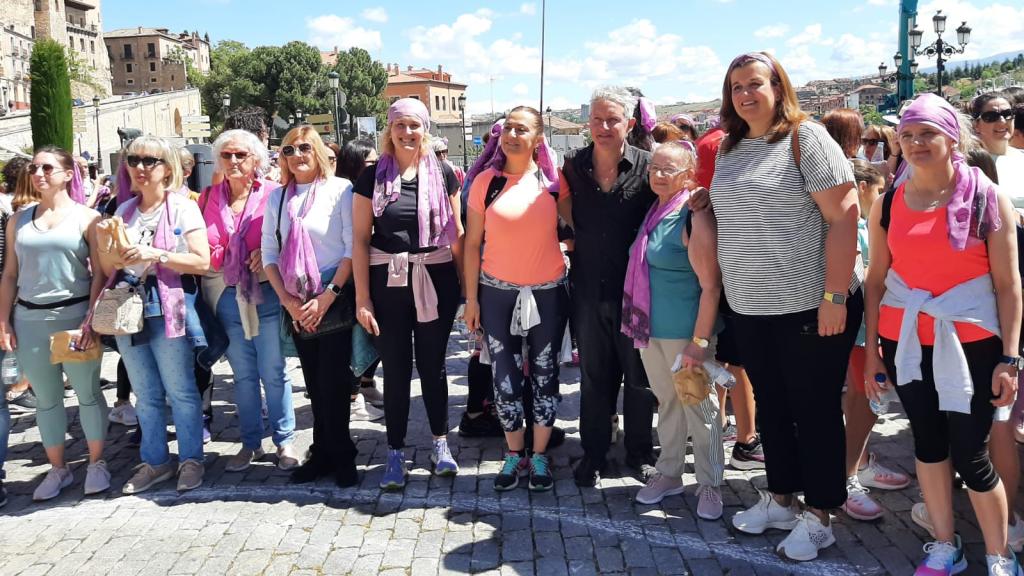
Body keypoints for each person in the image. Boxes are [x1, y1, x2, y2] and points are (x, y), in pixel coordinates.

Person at [864, 93, 1022, 575]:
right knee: (928, 445)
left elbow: (1009, 285)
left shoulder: (985, 196)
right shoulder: (889, 202)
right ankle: (943, 544)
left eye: (928, 132)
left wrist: (1010, 358)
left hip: (973, 342)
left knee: (972, 452)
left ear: (953, 137)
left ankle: (999, 554)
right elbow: (874, 282)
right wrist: (872, 353)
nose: (916, 143)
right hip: (906, 340)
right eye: (907, 135)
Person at [713, 52, 861, 562]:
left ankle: (820, 514)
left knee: (814, 409)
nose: (745, 94)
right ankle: (780, 496)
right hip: (751, 305)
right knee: (774, 405)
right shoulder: (732, 148)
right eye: (736, 87)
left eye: (755, 84)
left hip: (810, 303)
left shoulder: (807, 137)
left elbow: (844, 218)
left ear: (779, 87)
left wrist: (835, 297)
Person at [352, 98, 463, 490]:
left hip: (437, 280)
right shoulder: (371, 178)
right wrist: (362, 299)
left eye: (414, 125)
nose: (407, 133)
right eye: (400, 125)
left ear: (425, 129)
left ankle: (440, 443)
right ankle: (395, 451)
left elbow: (458, 236)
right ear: (390, 130)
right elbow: (360, 241)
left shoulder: (445, 173)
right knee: (396, 370)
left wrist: (468, 293)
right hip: (389, 285)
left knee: (433, 367)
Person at [463, 106, 568, 492]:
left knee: (545, 376)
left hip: (549, 293)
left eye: (521, 129)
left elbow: (574, 226)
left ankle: (539, 457)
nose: (511, 134)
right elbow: (471, 244)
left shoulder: (554, 182)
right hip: (496, 294)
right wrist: (470, 300)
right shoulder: (484, 183)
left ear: (538, 138)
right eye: (507, 127)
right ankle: (512, 454)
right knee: (503, 378)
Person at [623, 141, 726, 519]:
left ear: (688, 174)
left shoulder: (692, 214)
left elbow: (711, 285)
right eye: (654, 169)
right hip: (650, 331)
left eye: (669, 169)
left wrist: (699, 343)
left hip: (686, 334)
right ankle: (669, 473)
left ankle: (711, 482)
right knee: (668, 403)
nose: (658, 175)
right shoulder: (655, 210)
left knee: (700, 407)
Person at [562, 85, 658, 487]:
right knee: (594, 378)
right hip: (587, 292)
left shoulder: (650, 167)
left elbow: (674, 208)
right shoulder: (572, 166)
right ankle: (595, 453)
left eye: (613, 119)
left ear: (629, 124)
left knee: (638, 378)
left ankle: (639, 453)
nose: (604, 126)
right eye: (598, 119)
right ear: (588, 123)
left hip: (636, 294)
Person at [0, 146, 107, 501]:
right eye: (34, 168)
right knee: (46, 399)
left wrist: (92, 318)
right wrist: (4, 321)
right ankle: (58, 468)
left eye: (47, 167)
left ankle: (96, 463)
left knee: (88, 394)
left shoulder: (87, 218)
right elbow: (10, 275)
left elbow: (98, 274)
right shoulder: (18, 220)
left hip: (74, 316)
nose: (39, 173)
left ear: (66, 173)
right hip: (29, 318)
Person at [108, 136, 211, 494]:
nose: (139, 167)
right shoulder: (124, 211)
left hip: (167, 304)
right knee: (145, 393)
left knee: (180, 390)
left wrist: (156, 253)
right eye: (133, 160)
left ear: (167, 168)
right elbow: (112, 264)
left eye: (149, 161)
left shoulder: (182, 208)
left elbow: (202, 260)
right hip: (128, 306)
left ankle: (191, 459)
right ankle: (155, 461)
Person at [262, 126, 358, 487]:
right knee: (314, 383)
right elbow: (270, 253)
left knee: (335, 381)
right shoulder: (278, 198)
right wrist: (288, 301)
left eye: (304, 148)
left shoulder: (340, 190)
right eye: (288, 150)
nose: (297, 155)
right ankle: (321, 452)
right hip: (296, 298)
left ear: (317, 150)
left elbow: (351, 248)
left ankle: (342, 453)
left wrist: (329, 294)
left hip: (332, 294)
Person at [202, 129, 300, 472]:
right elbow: (200, 246)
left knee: (273, 371)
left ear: (256, 159)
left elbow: (292, 240)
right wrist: (222, 254)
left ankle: (285, 440)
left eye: (240, 155)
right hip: (227, 295)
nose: (233, 161)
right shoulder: (207, 198)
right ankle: (250, 443)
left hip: (268, 290)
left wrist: (265, 252)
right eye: (226, 155)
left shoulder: (274, 194)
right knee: (243, 375)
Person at [839, 159, 911, 522]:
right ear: (864, 187)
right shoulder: (858, 225)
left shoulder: (867, 224)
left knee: (860, 397)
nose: (883, 195)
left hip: (871, 327)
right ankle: (849, 473)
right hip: (865, 329)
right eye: (879, 189)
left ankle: (857, 464)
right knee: (866, 397)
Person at [692, 115, 763, 469]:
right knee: (738, 360)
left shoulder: (710, 142)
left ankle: (720, 424)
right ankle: (747, 439)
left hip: (716, 258)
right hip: (736, 261)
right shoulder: (728, 144)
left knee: (721, 356)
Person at [970, 91, 1024, 552]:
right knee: (983, 410)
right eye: (992, 115)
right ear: (977, 122)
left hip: (1015, 293)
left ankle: (1008, 511)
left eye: (1009, 114)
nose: (1003, 121)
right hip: (980, 298)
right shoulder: (972, 165)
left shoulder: (1022, 163)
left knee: (1003, 414)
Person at [336, 137, 385, 419]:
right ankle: (353, 396)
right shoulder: (346, 192)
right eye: (371, 162)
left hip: (373, 270)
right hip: (352, 275)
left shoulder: (377, 187)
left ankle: (366, 384)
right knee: (356, 336)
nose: (377, 166)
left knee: (373, 334)